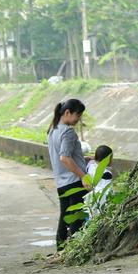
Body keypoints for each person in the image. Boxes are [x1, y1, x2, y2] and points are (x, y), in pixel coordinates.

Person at [47, 99, 90, 248]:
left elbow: (64, 156)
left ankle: (61, 247)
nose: (78, 119)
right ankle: (75, 248)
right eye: (78, 115)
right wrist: (83, 176)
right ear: (67, 113)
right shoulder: (68, 132)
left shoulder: (53, 130)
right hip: (73, 181)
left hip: (61, 182)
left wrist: (82, 159)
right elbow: (64, 157)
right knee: (76, 218)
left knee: (65, 216)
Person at [85, 144, 116, 210]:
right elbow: (107, 192)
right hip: (100, 202)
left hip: (90, 200)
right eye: (111, 158)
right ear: (107, 159)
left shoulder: (90, 165)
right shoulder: (106, 174)